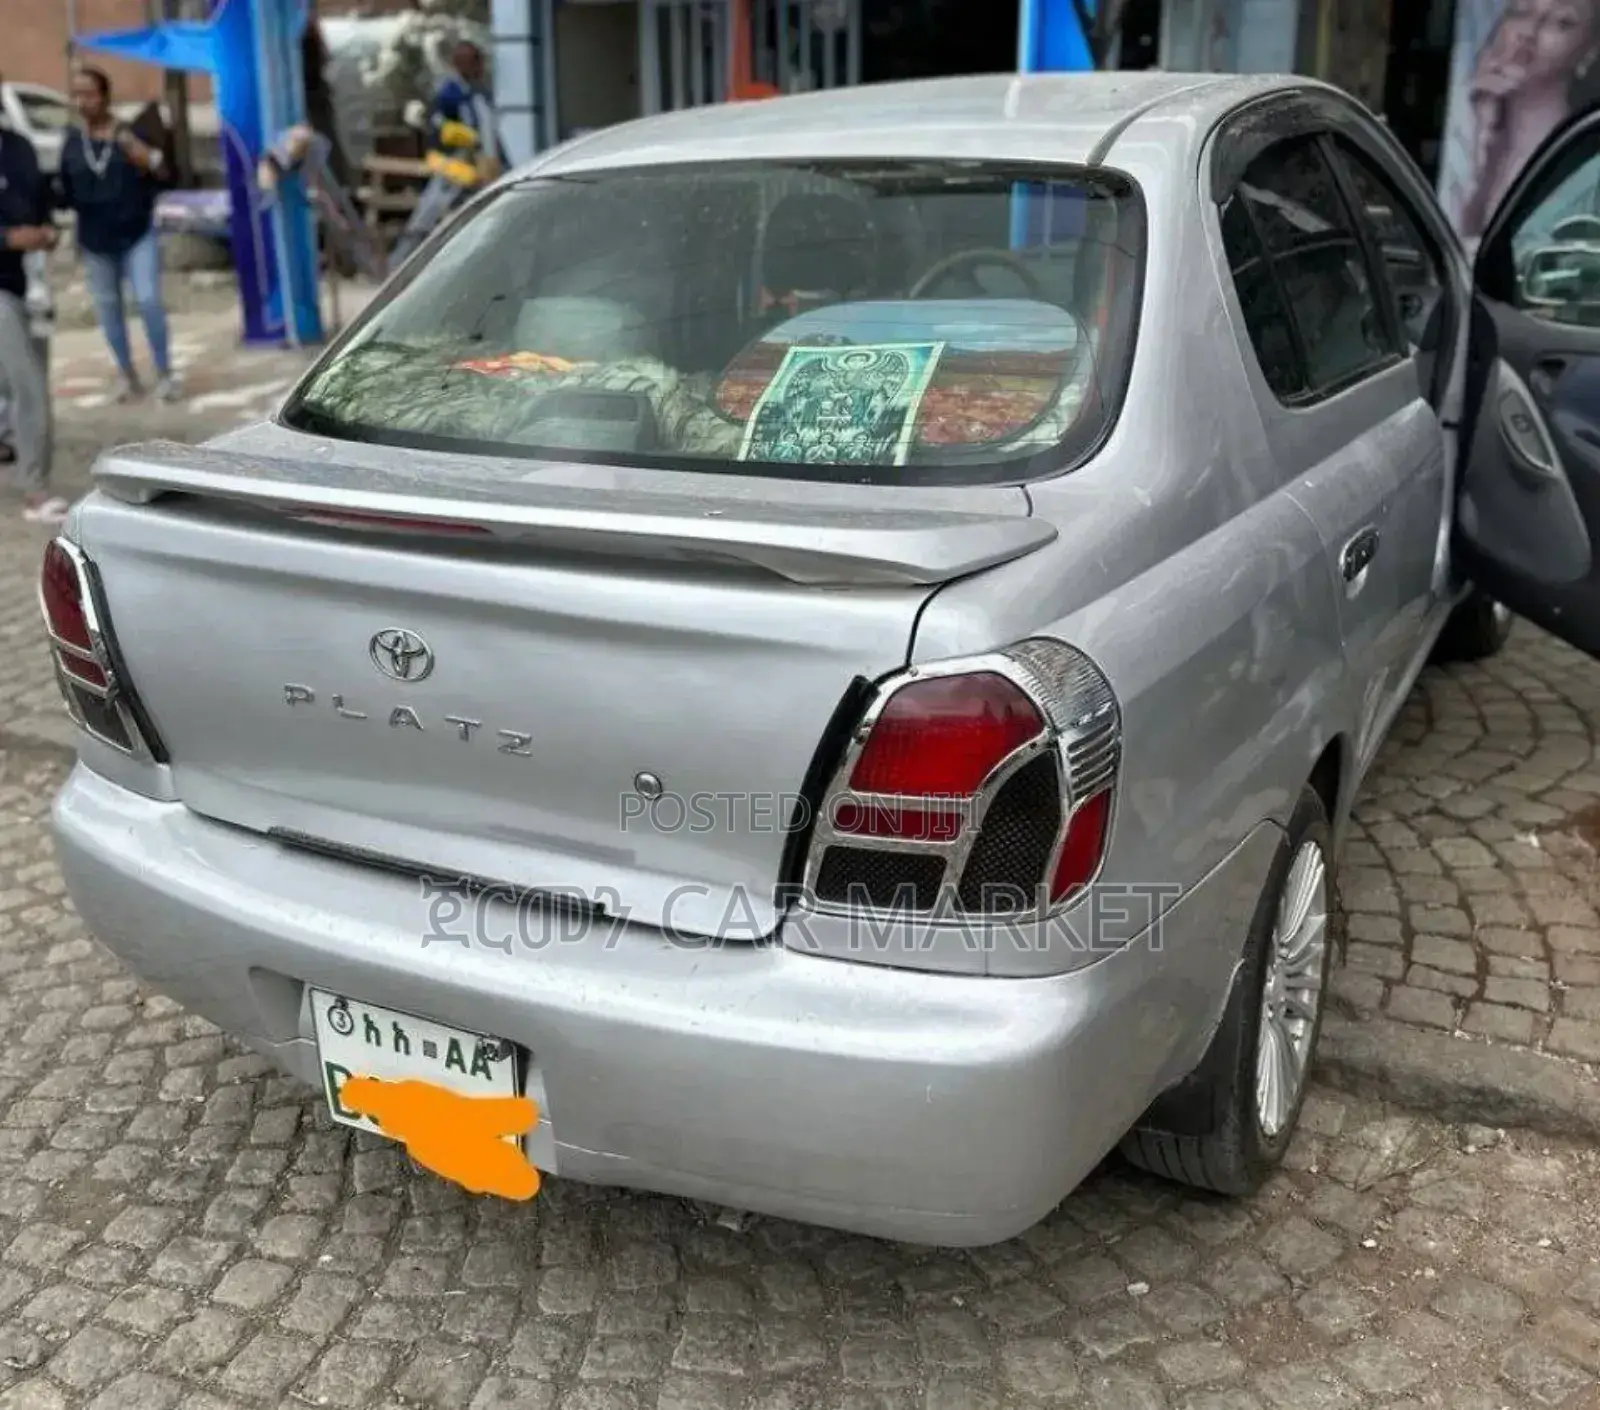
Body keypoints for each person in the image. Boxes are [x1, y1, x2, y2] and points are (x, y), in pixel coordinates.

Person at [57, 65, 179, 403]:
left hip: (137, 233)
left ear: (106, 97)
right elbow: (63, 190)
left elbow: (165, 173)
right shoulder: (71, 142)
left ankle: (166, 374)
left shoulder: (129, 133)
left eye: (90, 94)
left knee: (148, 300)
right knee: (108, 309)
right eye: (77, 94)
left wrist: (145, 157)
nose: (83, 102)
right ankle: (127, 376)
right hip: (96, 242)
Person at [1456, 0, 1600, 239]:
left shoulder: (1581, 162)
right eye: (1521, 12)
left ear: (1590, 50)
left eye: (1561, 22)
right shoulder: (1470, 128)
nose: (1529, 32)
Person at [0, 91, 66, 524]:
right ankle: (36, 490)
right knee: (29, 387)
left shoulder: (18, 147)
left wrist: (46, 229)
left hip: (30, 283)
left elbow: (43, 200)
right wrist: (6, 239)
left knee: (25, 379)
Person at [389, 40, 505, 267]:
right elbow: (437, 128)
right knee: (429, 213)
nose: (480, 69)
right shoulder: (448, 94)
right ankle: (399, 263)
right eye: (475, 62)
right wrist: (459, 136)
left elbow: (490, 132)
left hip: (481, 165)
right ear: (462, 64)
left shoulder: (479, 93)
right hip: (454, 164)